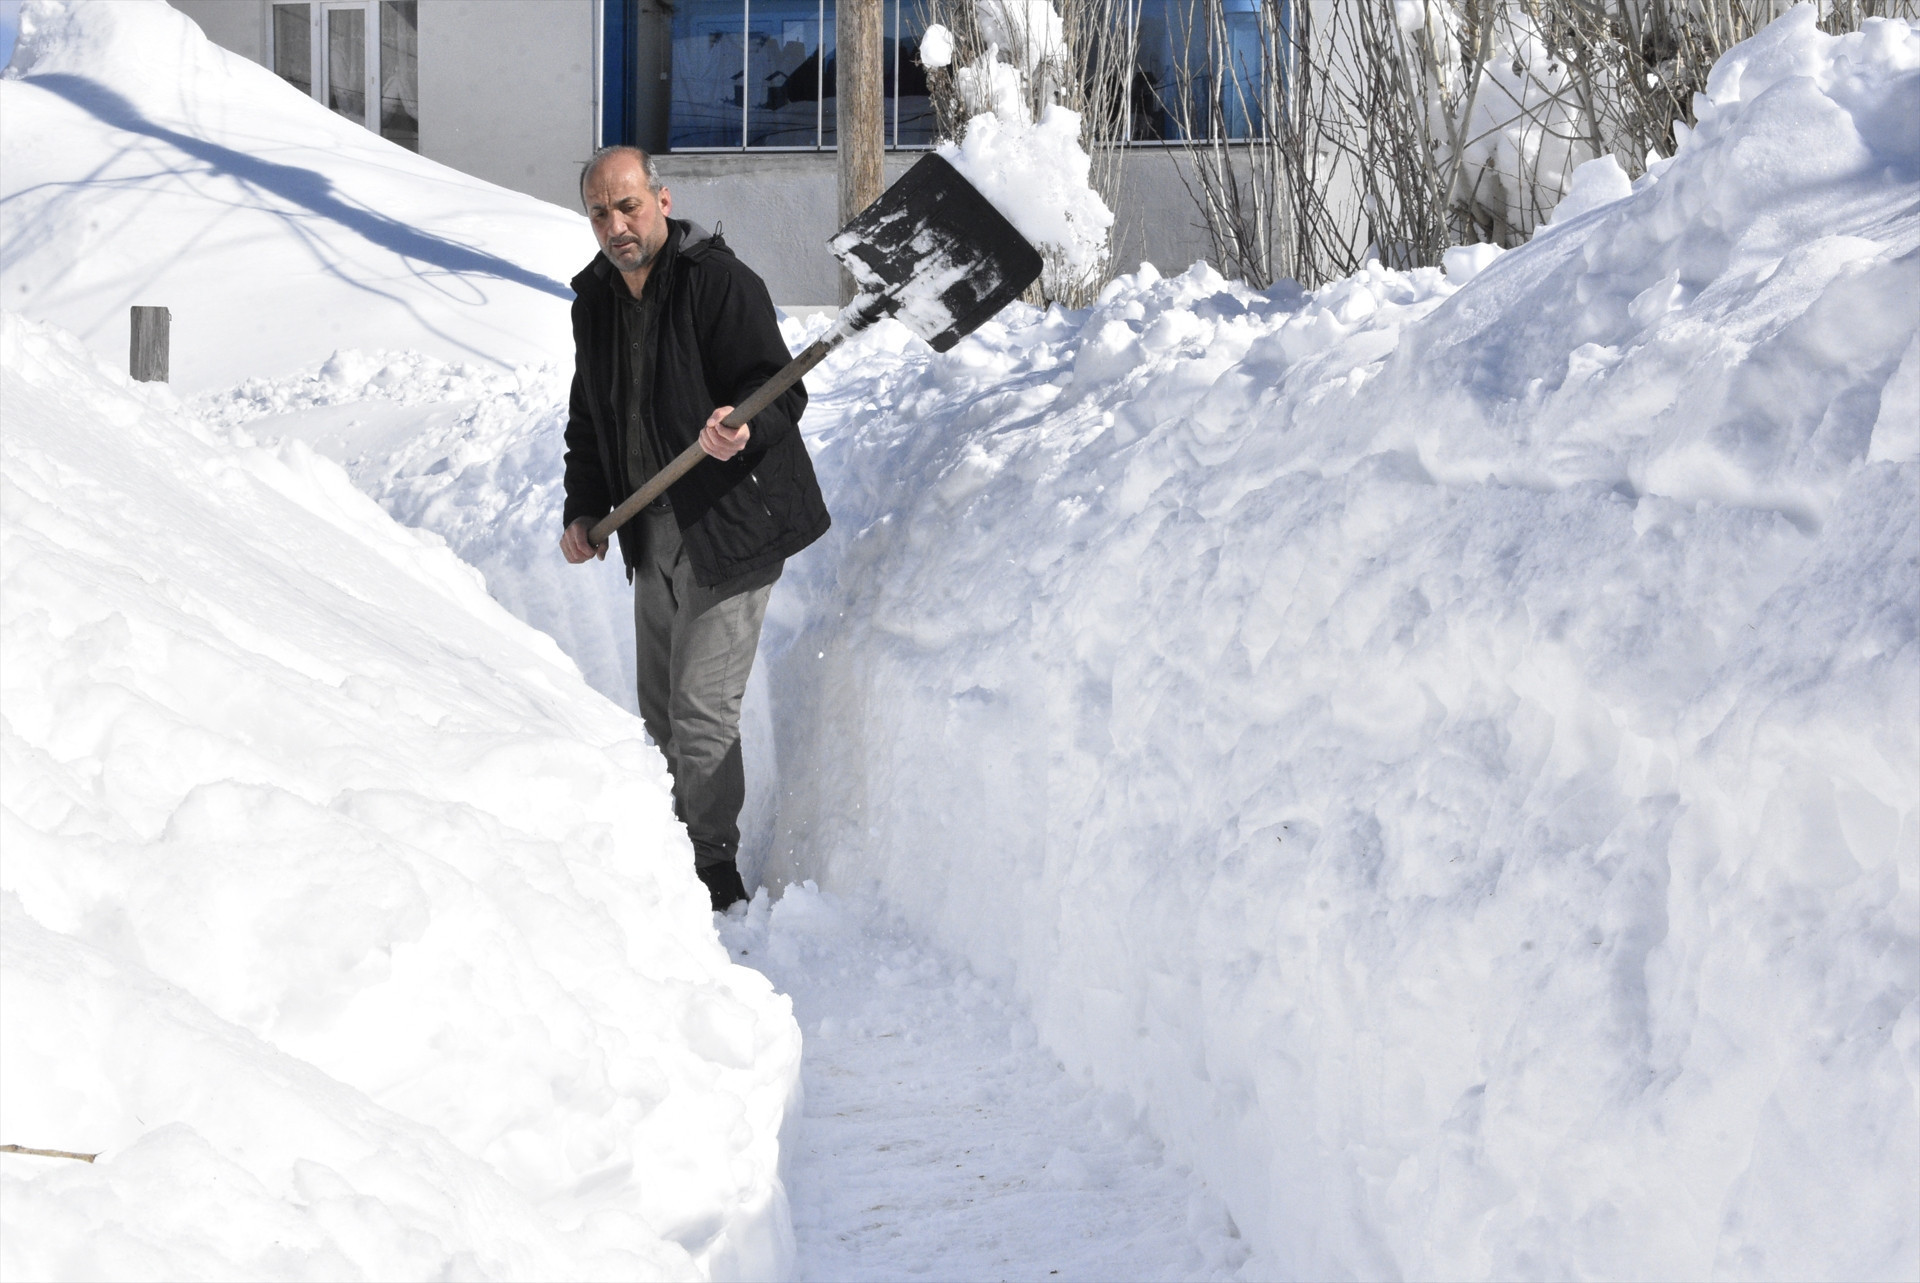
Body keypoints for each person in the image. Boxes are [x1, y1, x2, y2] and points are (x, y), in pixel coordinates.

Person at [560, 146, 830, 911]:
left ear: (662, 199)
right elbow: (591, 421)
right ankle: (676, 839)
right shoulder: (596, 304)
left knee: (699, 711)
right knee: (658, 709)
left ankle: (713, 873)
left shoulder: (719, 284)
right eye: (600, 213)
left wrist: (740, 429)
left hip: (732, 523)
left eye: (629, 206)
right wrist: (584, 509)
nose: (617, 225)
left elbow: (778, 393)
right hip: (652, 531)